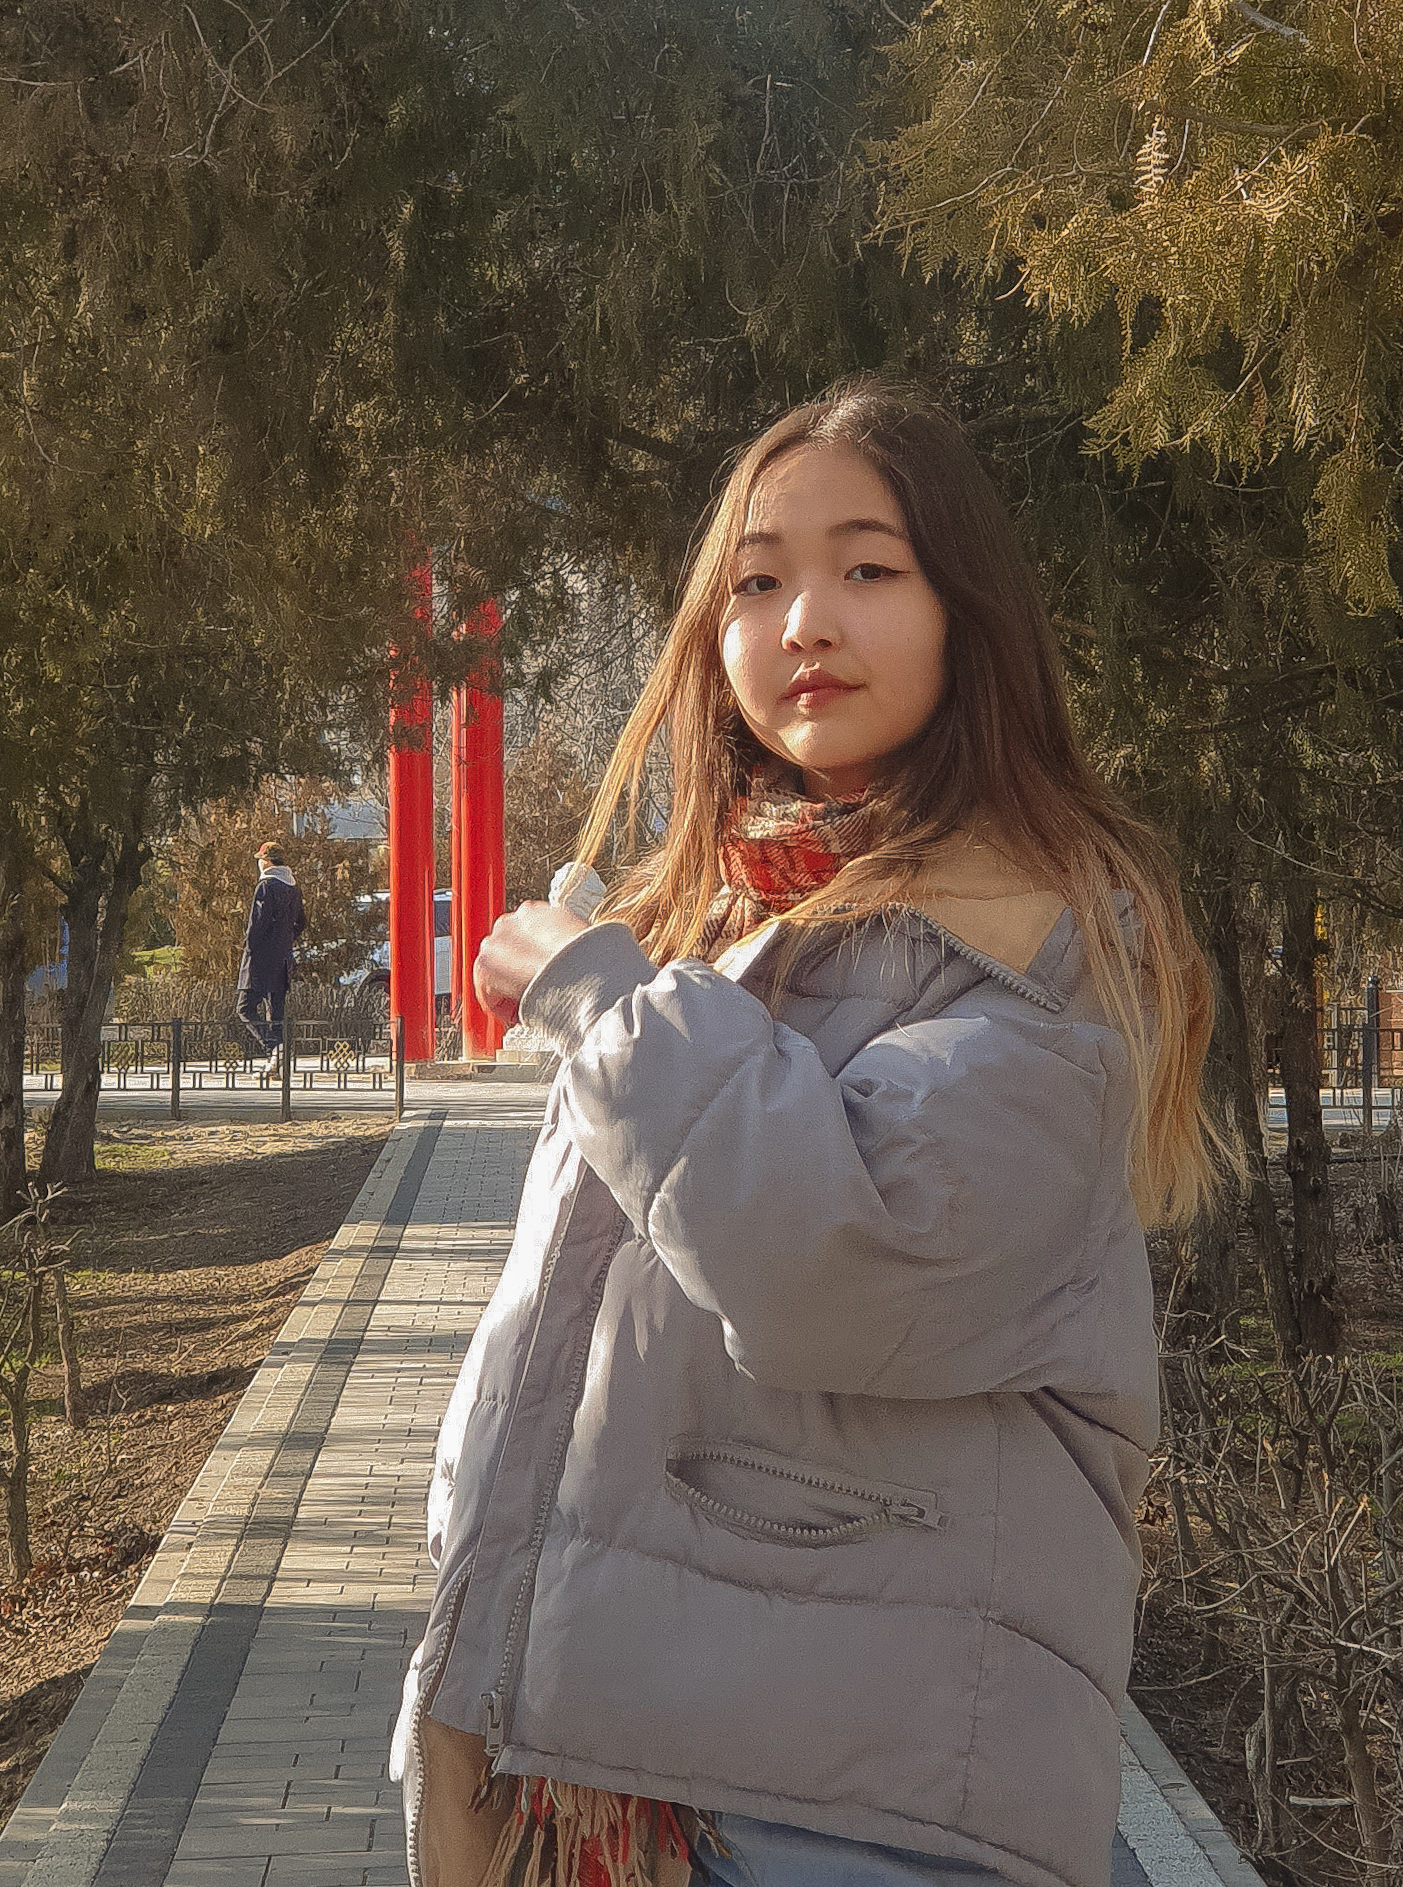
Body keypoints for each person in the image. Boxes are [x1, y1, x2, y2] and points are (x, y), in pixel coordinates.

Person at [390, 383, 1220, 1887]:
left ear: (967, 613)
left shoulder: (1037, 946)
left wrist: (606, 1009)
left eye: (868, 568)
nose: (803, 622)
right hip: (618, 1746)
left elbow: (838, 1260)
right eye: (757, 581)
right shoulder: (717, 926)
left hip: (857, 1800)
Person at [236, 841, 306, 1079]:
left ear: (267, 861)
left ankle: (274, 1047)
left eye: (260, 859)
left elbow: (257, 924)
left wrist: (249, 948)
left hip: (259, 960)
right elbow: (301, 923)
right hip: (282, 960)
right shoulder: (292, 888)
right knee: (275, 1013)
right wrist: (285, 940)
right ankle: (276, 1064)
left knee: (245, 1008)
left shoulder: (266, 886)